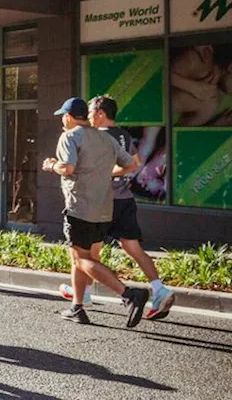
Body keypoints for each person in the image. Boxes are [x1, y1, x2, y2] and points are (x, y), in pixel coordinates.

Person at [59, 96, 176, 319]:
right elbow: (135, 164)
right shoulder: (122, 135)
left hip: (102, 200)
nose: (89, 117)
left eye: (92, 113)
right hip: (125, 199)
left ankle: (83, 296)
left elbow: (75, 167)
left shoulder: (96, 136)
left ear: (101, 114)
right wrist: (113, 172)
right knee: (132, 247)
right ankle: (159, 289)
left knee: (85, 254)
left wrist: (101, 174)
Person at [43, 97, 151, 327]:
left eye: (63, 115)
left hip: (80, 207)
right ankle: (77, 307)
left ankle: (130, 295)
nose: (63, 120)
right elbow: (132, 164)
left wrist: (51, 165)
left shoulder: (70, 136)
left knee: (81, 259)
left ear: (69, 117)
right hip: (105, 207)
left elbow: (68, 167)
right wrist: (103, 175)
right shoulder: (105, 137)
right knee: (82, 258)